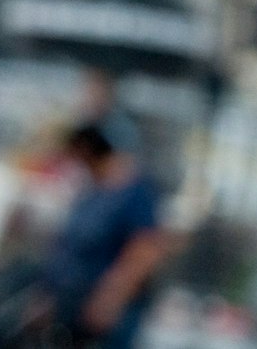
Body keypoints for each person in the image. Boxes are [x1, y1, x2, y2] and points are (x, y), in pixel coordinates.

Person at [35, 123, 167, 349]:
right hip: (72, 309)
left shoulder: (133, 192)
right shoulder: (93, 190)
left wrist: (109, 299)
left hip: (105, 317)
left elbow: (145, 249)